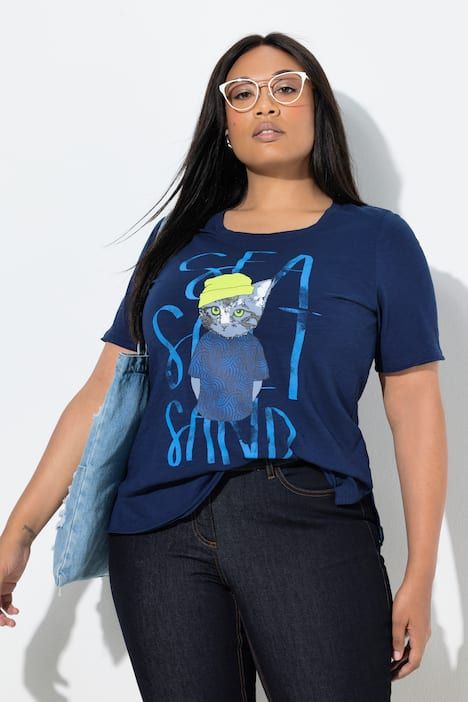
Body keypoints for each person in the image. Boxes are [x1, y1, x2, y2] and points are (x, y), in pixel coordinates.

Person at [0, 32, 448, 702]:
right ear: (226, 125)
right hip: (156, 528)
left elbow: (413, 405)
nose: (264, 104)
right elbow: (102, 393)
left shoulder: (377, 239)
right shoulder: (177, 239)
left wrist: (420, 574)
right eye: (242, 93)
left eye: (285, 87)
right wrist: (20, 531)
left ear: (318, 109)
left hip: (306, 515)